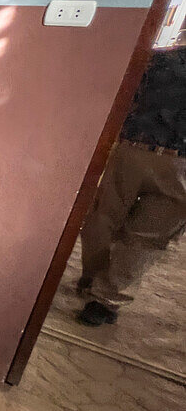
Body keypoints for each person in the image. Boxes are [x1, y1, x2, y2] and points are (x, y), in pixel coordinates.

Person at [77, 42, 186, 326]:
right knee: (147, 238)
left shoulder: (156, 58)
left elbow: (125, 97)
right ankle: (104, 300)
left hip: (132, 148)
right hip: (180, 166)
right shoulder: (155, 57)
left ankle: (91, 278)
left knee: (102, 218)